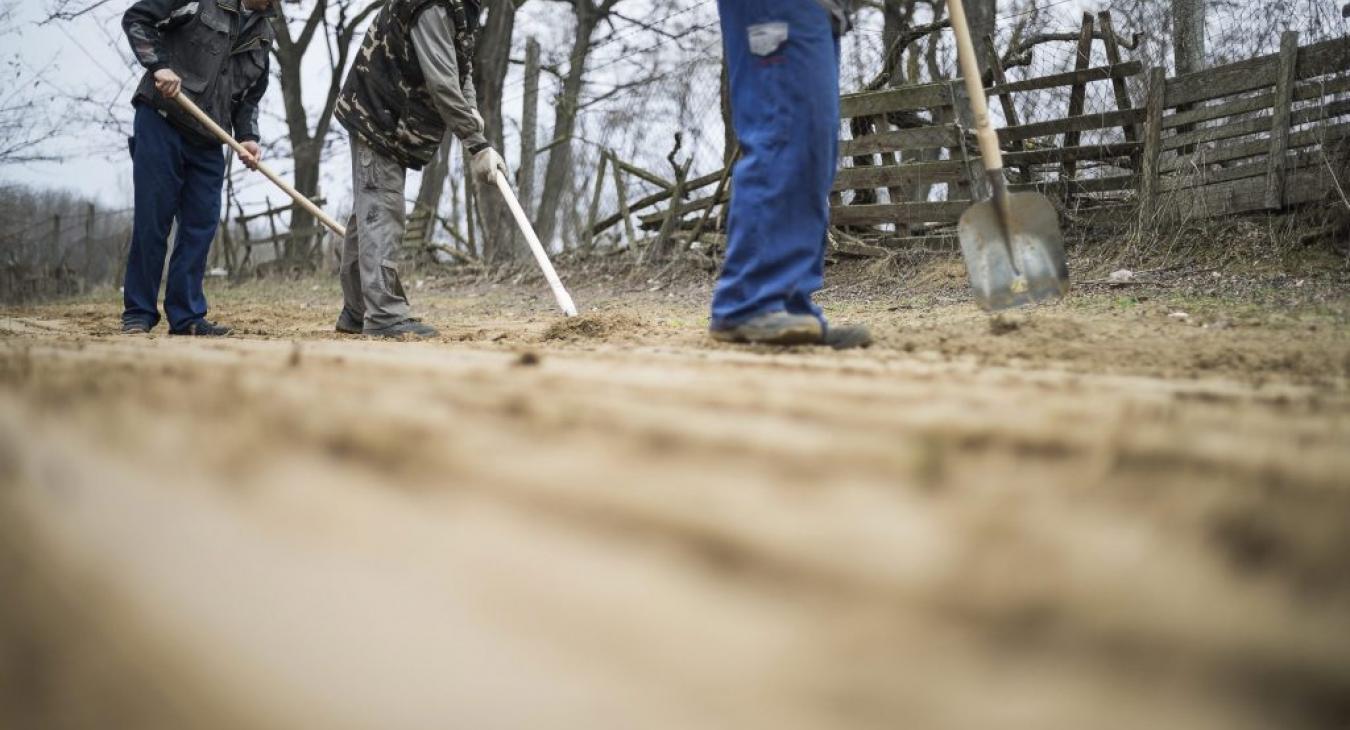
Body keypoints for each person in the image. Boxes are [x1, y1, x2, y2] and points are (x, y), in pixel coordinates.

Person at [332, 0, 506, 338]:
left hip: (392, 115)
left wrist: (471, 113)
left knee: (369, 212)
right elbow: (442, 82)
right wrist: (476, 143)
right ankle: (384, 316)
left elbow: (460, 69)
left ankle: (358, 310)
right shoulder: (433, 7)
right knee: (382, 209)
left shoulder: (463, 7)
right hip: (379, 114)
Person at [710, 0, 871, 349]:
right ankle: (751, 299)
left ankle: (788, 300)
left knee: (814, 146)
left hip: (819, 10)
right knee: (784, 134)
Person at [121, 0, 275, 335]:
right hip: (163, 119)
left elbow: (249, 96)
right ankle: (139, 312)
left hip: (209, 136)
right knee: (154, 218)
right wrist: (158, 65)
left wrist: (247, 136)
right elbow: (137, 20)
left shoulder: (264, 34)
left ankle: (187, 316)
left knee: (200, 225)